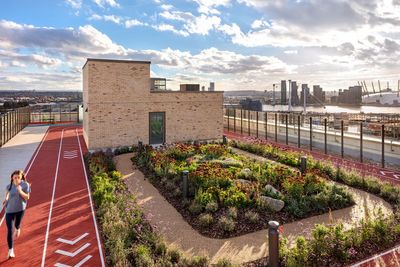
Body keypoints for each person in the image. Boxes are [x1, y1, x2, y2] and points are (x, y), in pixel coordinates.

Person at [3, 170, 30, 259]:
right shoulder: (9, 186)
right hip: (9, 210)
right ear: (12, 178)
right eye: (15, 177)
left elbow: (27, 197)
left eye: (18, 177)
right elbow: (6, 195)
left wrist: (20, 191)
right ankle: (11, 251)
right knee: (10, 231)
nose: (17, 179)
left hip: (20, 210)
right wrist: (5, 200)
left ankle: (18, 228)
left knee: (17, 225)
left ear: (21, 177)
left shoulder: (25, 185)